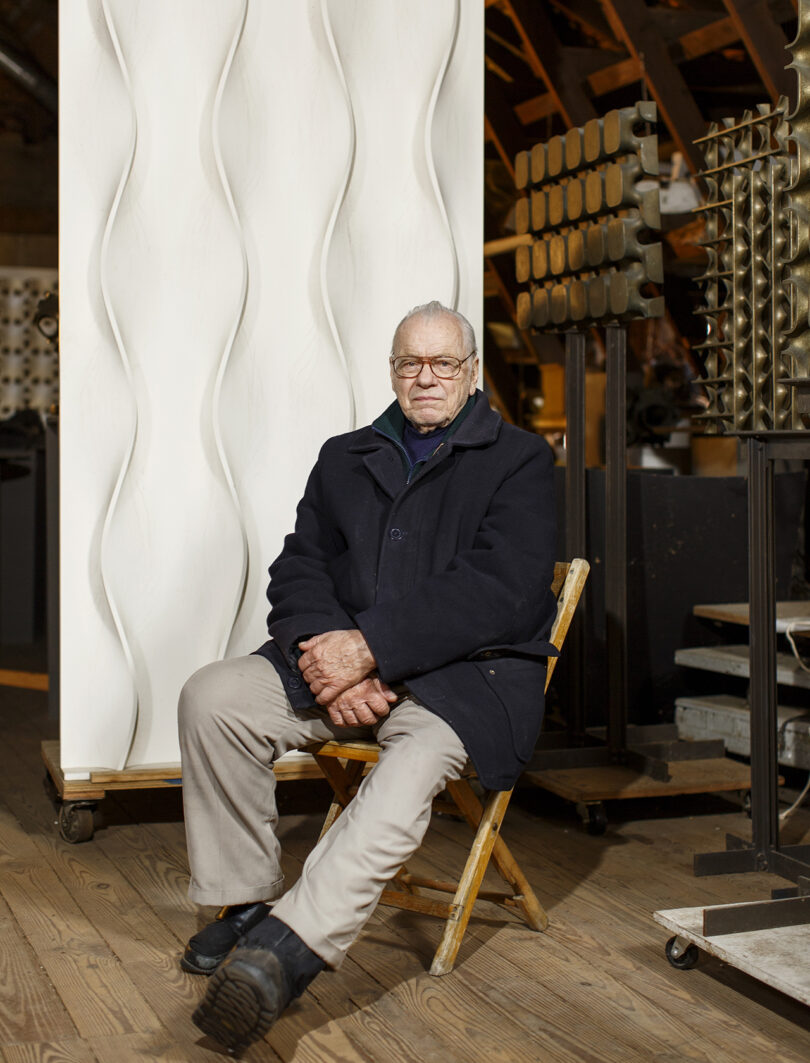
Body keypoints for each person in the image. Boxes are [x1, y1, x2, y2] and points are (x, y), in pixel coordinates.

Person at [178, 300, 557, 1052]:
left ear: (471, 372)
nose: (425, 377)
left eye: (443, 363)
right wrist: (335, 659)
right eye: (409, 363)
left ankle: (283, 957)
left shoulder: (520, 460)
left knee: (410, 767)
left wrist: (371, 648)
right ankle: (245, 903)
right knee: (210, 698)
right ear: (391, 370)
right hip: (344, 669)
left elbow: (501, 588)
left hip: (457, 681)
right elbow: (300, 567)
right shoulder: (344, 454)